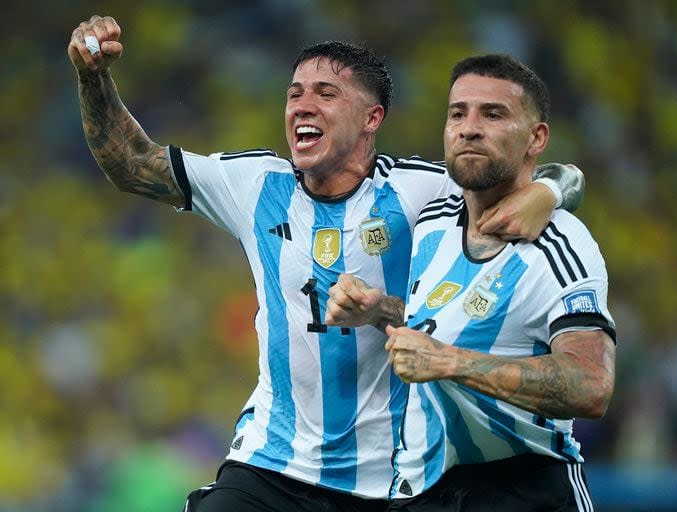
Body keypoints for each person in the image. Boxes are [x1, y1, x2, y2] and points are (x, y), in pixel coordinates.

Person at [68, 15, 585, 512]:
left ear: (371, 118)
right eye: (294, 94)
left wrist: (549, 189)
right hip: (271, 465)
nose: (302, 106)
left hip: (393, 478)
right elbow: (133, 165)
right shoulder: (255, 185)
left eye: (325, 94)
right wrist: (92, 79)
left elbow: (531, 174)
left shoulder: (422, 191)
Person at [326, 55, 615, 511]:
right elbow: (446, 323)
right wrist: (379, 309)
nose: (470, 128)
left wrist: (451, 362)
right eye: (458, 113)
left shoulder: (560, 243)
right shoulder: (435, 220)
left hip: (523, 488)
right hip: (423, 490)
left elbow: (590, 384)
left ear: (536, 138)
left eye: (493, 114)